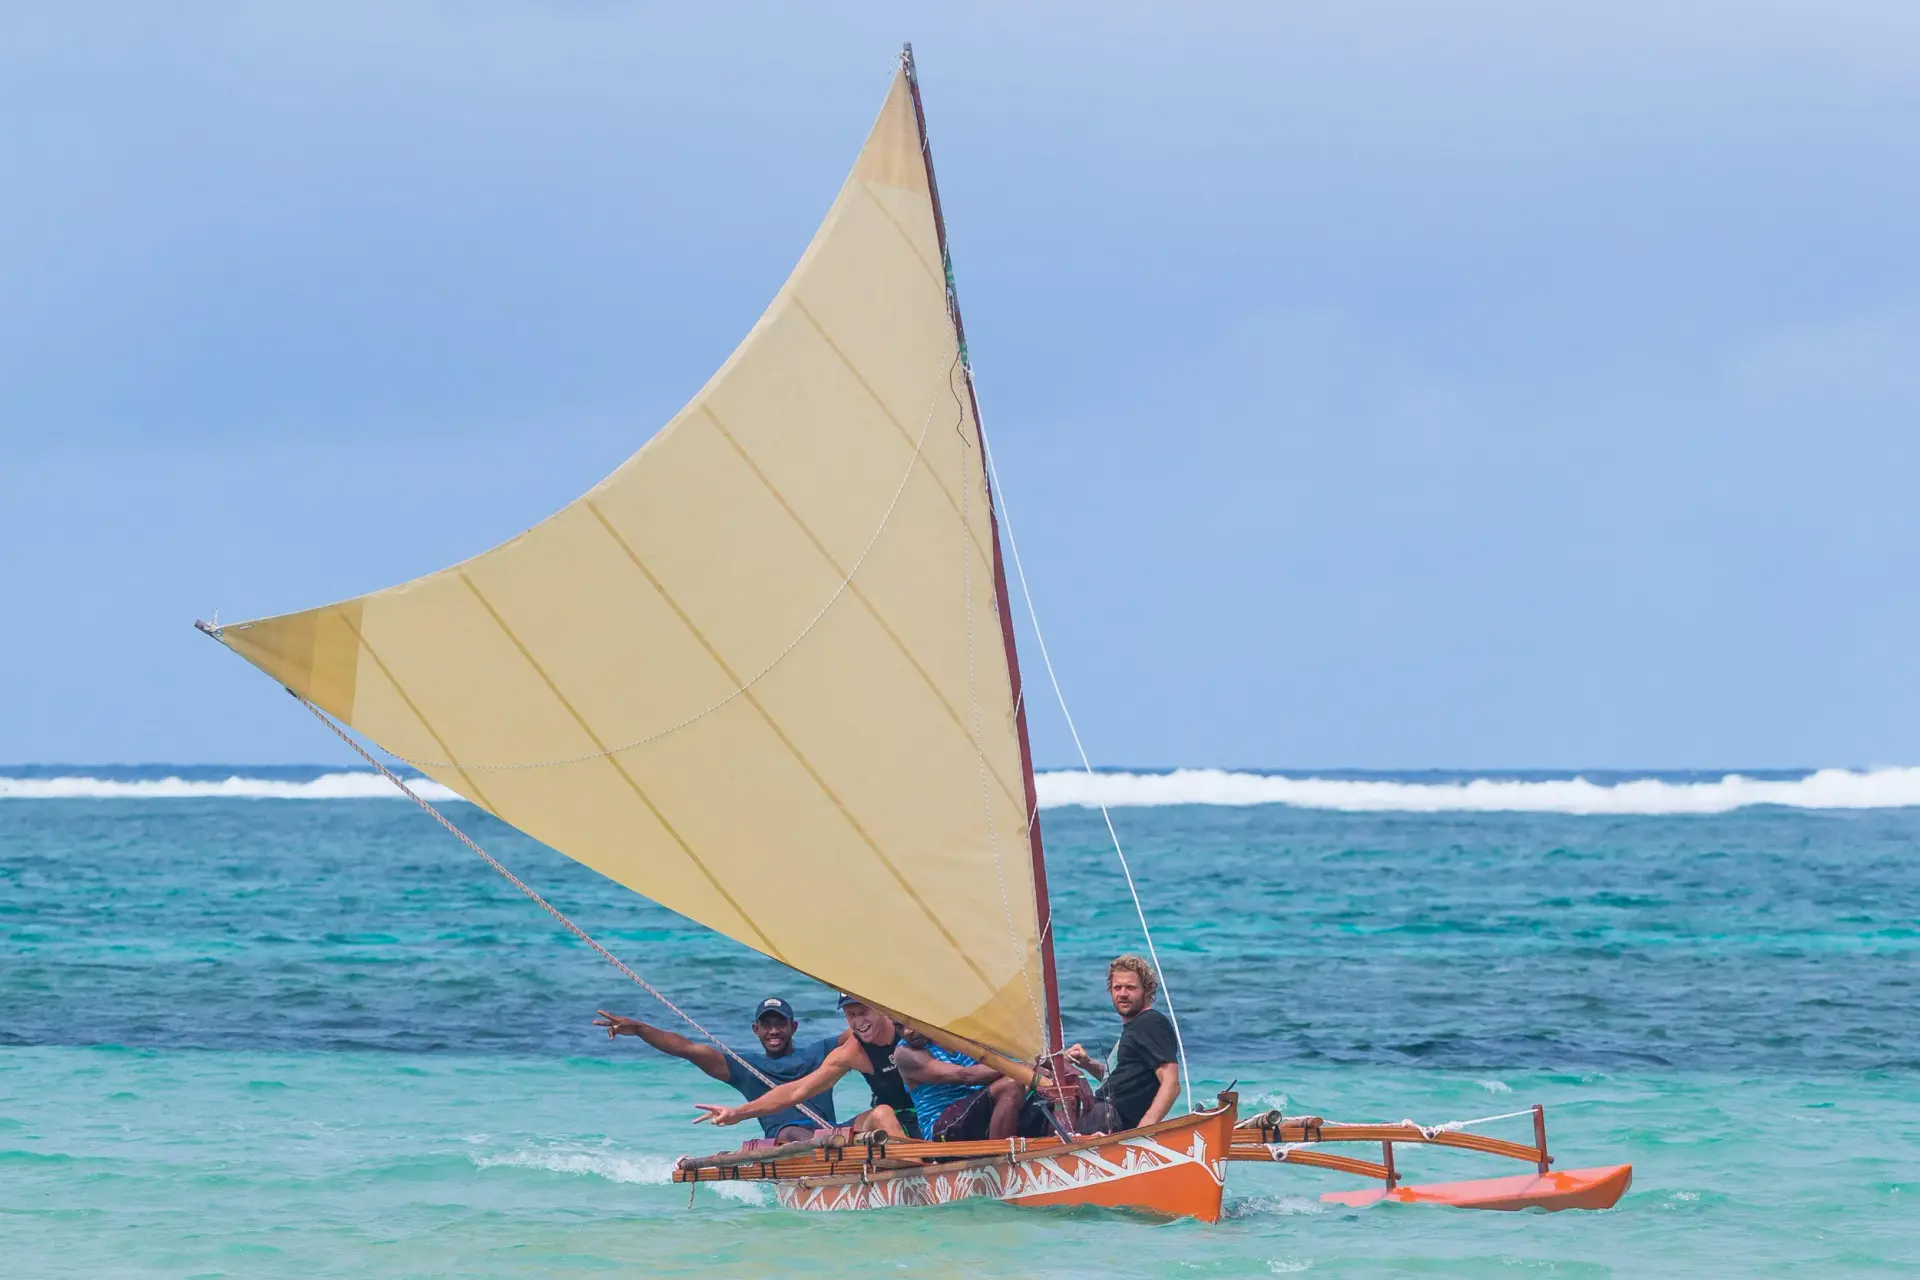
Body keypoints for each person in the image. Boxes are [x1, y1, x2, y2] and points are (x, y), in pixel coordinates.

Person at [594, 996, 838, 1144]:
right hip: (787, 1141)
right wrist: (640, 1030)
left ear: (793, 1027)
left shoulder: (820, 1052)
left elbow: (855, 1033)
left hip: (828, 1133)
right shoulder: (746, 1067)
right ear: (756, 1030)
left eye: (780, 1024)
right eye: (767, 1025)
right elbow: (688, 1049)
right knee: (791, 1133)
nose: (774, 1031)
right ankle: (831, 1150)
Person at [692, 994, 918, 1139]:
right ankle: (915, 1176)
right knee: (882, 1113)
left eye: (864, 1012)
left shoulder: (914, 1028)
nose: (858, 1022)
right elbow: (796, 1091)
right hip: (895, 1117)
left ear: (881, 1009)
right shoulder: (852, 1052)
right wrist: (738, 1113)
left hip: (931, 1110)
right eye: (851, 1015)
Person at [1066, 954, 1181, 1133]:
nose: (1123, 994)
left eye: (1130, 987)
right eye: (1117, 987)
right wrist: (1087, 1063)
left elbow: (1171, 1084)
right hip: (1103, 1115)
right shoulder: (1135, 1028)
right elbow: (1124, 1080)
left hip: (1108, 1118)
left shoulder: (1151, 1023)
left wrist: (1143, 1132)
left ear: (1147, 990)